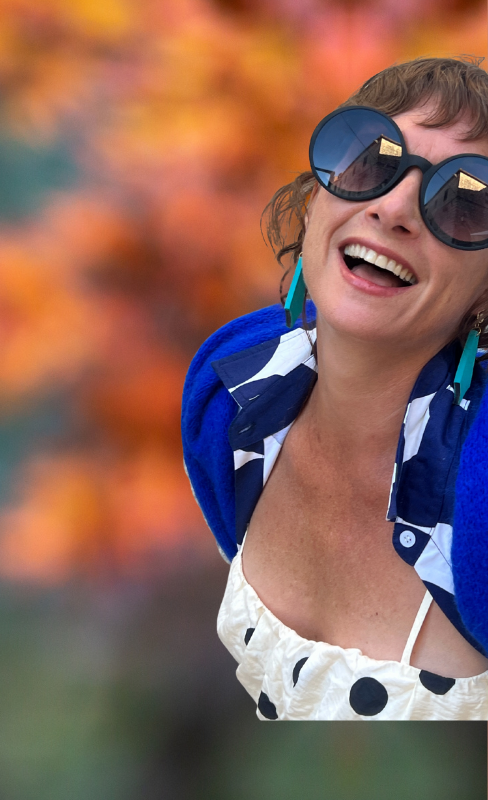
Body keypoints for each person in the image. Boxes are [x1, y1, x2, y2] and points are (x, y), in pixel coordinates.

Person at [182, 57, 488, 720]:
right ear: (316, 199)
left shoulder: (480, 496)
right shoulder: (231, 392)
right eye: (372, 161)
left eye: (463, 201)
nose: (394, 208)